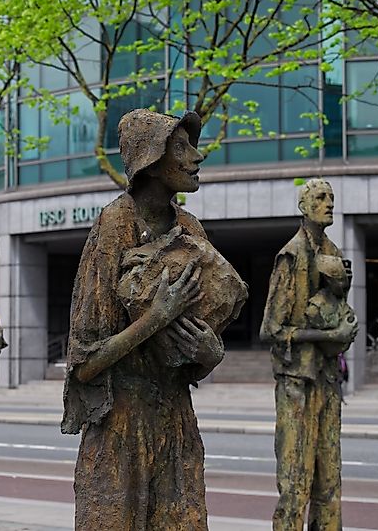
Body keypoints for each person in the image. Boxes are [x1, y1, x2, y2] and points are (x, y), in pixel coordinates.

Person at [62, 109, 246, 530]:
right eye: (180, 147)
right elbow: (85, 362)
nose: (196, 157)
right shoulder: (114, 225)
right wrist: (154, 319)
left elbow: (200, 346)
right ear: (150, 159)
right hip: (118, 425)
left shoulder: (190, 228)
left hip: (175, 422)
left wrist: (210, 353)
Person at [260, 178, 358, 531]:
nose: (329, 203)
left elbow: (339, 315)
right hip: (296, 383)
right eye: (320, 197)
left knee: (329, 483)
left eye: (331, 197)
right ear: (304, 207)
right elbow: (270, 329)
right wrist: (327, 334)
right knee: (295, 485)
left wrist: (343, 327)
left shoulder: (334, 253)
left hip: (328, 380)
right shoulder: (290, 256)